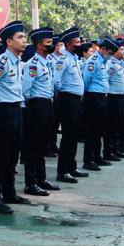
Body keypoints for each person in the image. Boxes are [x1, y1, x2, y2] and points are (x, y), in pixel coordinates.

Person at [0, 20, 29, 213]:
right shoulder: (1, 62)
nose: (24, 40)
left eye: (24, 37)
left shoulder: (17, 61)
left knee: (13, 154)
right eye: (20, 37)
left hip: (17, 109)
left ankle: (10, 192)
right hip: (4, 110)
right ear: (9, 42)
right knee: (0, 156)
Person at [21, 27, 59, 197]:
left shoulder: (48, 62)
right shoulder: (33, 65)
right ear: (39, 45)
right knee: (33, 146)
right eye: (48, 42)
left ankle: (41, 179)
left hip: (47, 104)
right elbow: (25, 90)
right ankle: (31, 183)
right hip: (36, 106)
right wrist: (32, 107)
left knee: (43, 144)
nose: (51, 45)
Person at [52, 27, 87, 183]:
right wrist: (64, 93)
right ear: (68, 44)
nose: (80, 44)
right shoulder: (63, 59)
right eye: (77, 42)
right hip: (68, 100)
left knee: (74, 136)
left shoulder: (74, 58)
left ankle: (71, 167)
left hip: (77, 101)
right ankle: (63, 171)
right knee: (67, 137)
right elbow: (56, 81)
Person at [80, 35, 110, 171]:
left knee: (99, 130)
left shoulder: (102, 62)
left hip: (101, 98)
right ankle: (88, 160)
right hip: (93, 98)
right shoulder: (93, 61)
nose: (111, 56)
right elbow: (85, 80)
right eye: (110, 53)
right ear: (103, 50)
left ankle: (97, 157)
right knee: (92, 131)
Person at [102, 38, 124, 161]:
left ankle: (115, 149)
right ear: (116, 51)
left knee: (118, 125)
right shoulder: (110, 64)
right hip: (113, 98)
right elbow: (107, 80)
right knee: (111, 126)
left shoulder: (118, 63)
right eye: (121, 50)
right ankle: (108, 151)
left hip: (121, 98)